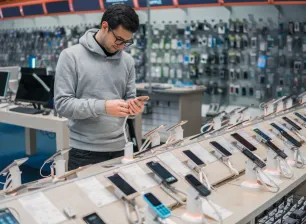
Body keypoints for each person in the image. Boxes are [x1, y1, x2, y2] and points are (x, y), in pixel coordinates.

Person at [54, 4, 143, 171]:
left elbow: (129, 97)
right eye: (119, 40)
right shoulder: (71, 56)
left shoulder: (128, 61)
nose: (122, 46)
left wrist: (133, 107)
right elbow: (62, 105)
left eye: (127, 42)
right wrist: (103, 107)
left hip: (121, 147)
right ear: (105, 27)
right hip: (84, 151)